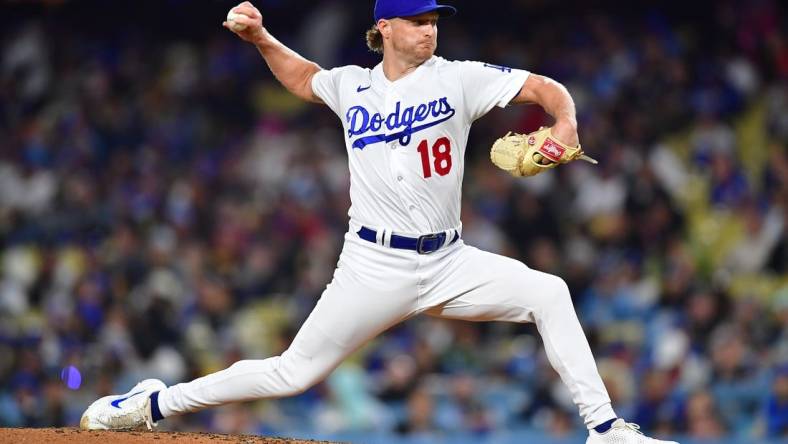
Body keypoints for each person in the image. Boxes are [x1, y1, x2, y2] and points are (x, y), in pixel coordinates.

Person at [80, 1, 679, 443]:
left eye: (435, 20)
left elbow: (546, 89)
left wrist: (566, 124)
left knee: (550, 292)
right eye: (418, 21)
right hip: (372, 264)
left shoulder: (458, 76)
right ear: (385, 28)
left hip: (449, 261)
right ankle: (155, 404)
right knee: (291, 373)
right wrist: (262, 37)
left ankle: (604, 429)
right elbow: (303, 79)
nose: (430, 30)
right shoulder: (352, 86)